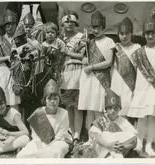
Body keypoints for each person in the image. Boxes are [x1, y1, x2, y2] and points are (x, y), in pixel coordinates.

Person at [127, 18, 155, 157]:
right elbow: (134, 70)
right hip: (141, 88)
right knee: (141, 117)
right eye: (147, 33)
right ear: (144, 35)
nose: (150, 36)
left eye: (152, 33)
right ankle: (139, 143)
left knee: (152, 117)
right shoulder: (140, 51)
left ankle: (149, 145)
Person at [78, 11, 115, 130]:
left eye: (98, 27)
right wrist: (84, 59)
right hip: (89, 78)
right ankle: (91, 138)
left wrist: (92, 67)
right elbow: (83, 57)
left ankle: (101, 136)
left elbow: (108, 62)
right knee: (89, 108)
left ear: (103, 27)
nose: (95, 30)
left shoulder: (109, 41)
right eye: (93, 27)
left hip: (100, 78)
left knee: (98, 108)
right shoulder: (90, 42)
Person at [17, 79, 72, 158]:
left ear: (59, 100)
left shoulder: (64, 113)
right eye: (49, 99)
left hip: (59, 141)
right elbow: (35, 135)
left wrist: (49, 147)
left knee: (56, 152)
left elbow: (61, 133)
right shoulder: (38, 112)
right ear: (45, 100)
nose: (53, 102)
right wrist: (40, 148)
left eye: (55, 99)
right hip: (40, 141)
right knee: (21, 155)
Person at [59, 10, 85, 143]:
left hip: (77, 71)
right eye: (66, 22)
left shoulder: (81, 36)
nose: (69, 24)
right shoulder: (60, 38)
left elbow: (81, 55)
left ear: (76, 23)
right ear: (62, 24)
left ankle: (77, 134)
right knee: (68, 105)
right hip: (65, 73)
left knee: (77, 105)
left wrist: (67, 52)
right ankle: (71, 131)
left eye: (72, 22)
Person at [88, 90, 138, 158]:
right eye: (110, 108)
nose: (113, 111)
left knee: (128, 136)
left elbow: (134, 139)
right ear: (106, 109)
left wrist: (124, 147)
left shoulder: (124, 122)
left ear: (119, 109)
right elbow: (97, 136)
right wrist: (108, 145)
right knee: (105, 135)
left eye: (116, 108)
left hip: (119, 148)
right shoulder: (101, 120)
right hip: (103, 147)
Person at [0, 9, 20, 109]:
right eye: (7, 25)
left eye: (12, 24)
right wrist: (6, 57)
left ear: (16, 25)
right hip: (2, 73)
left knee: (14, 103)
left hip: (16, 75)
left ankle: (14, 124)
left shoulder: (20, 40)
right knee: (0, 103)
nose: (10, 27)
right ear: (4, 27)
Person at [110, 17, 141, 116]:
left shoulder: (137, 47)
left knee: (128, 110)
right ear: (118, 34)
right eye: (122, 34)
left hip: (130, 85)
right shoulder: (115, 48)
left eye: (127, 33)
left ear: (131, 33)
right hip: (116, 82)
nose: (124, 36)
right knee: (115, 110)